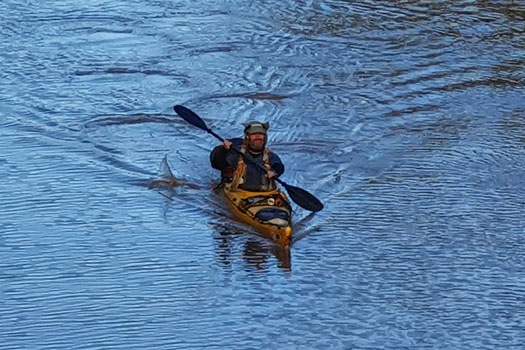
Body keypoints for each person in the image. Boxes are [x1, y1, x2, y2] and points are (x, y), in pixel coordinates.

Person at [210, 121, 284, 192]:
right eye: (254, 134)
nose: (257, 136)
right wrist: (223, 149)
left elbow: (279, 166)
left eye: (260, 134)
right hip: (239, 192)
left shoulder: (269, 156)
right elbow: (216, 163)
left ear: (265, 137)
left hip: (265, 194)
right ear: (247, 137)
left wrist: (274, 172)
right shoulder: (236, 153)